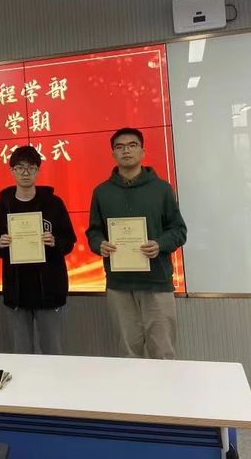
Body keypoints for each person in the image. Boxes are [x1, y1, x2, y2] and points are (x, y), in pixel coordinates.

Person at [86, 127, 187, 360]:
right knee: (128, 353)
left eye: (132, 145)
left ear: (142, 151)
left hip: (156, 282)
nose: (126, 151)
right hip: (119, 283)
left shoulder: (161, 189)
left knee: (162, 352)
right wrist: (99, 244)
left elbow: (178, 230)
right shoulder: (102, 192)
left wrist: (159, 244)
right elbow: (94, 231)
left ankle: (163, 386)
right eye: (120, 147)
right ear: (113, 153)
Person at [0, 146, 76, 354]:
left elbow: (69, 240)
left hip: (49, 288)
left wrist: (55, 242)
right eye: (20, 168)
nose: (25, 173)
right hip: (17, 290)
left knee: (52, 350)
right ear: (12, 171)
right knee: (22, 352)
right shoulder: (2, 206)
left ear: (38, 170)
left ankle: (53, 377)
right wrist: (0, 243)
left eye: (31, 167)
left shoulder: (54, 203)